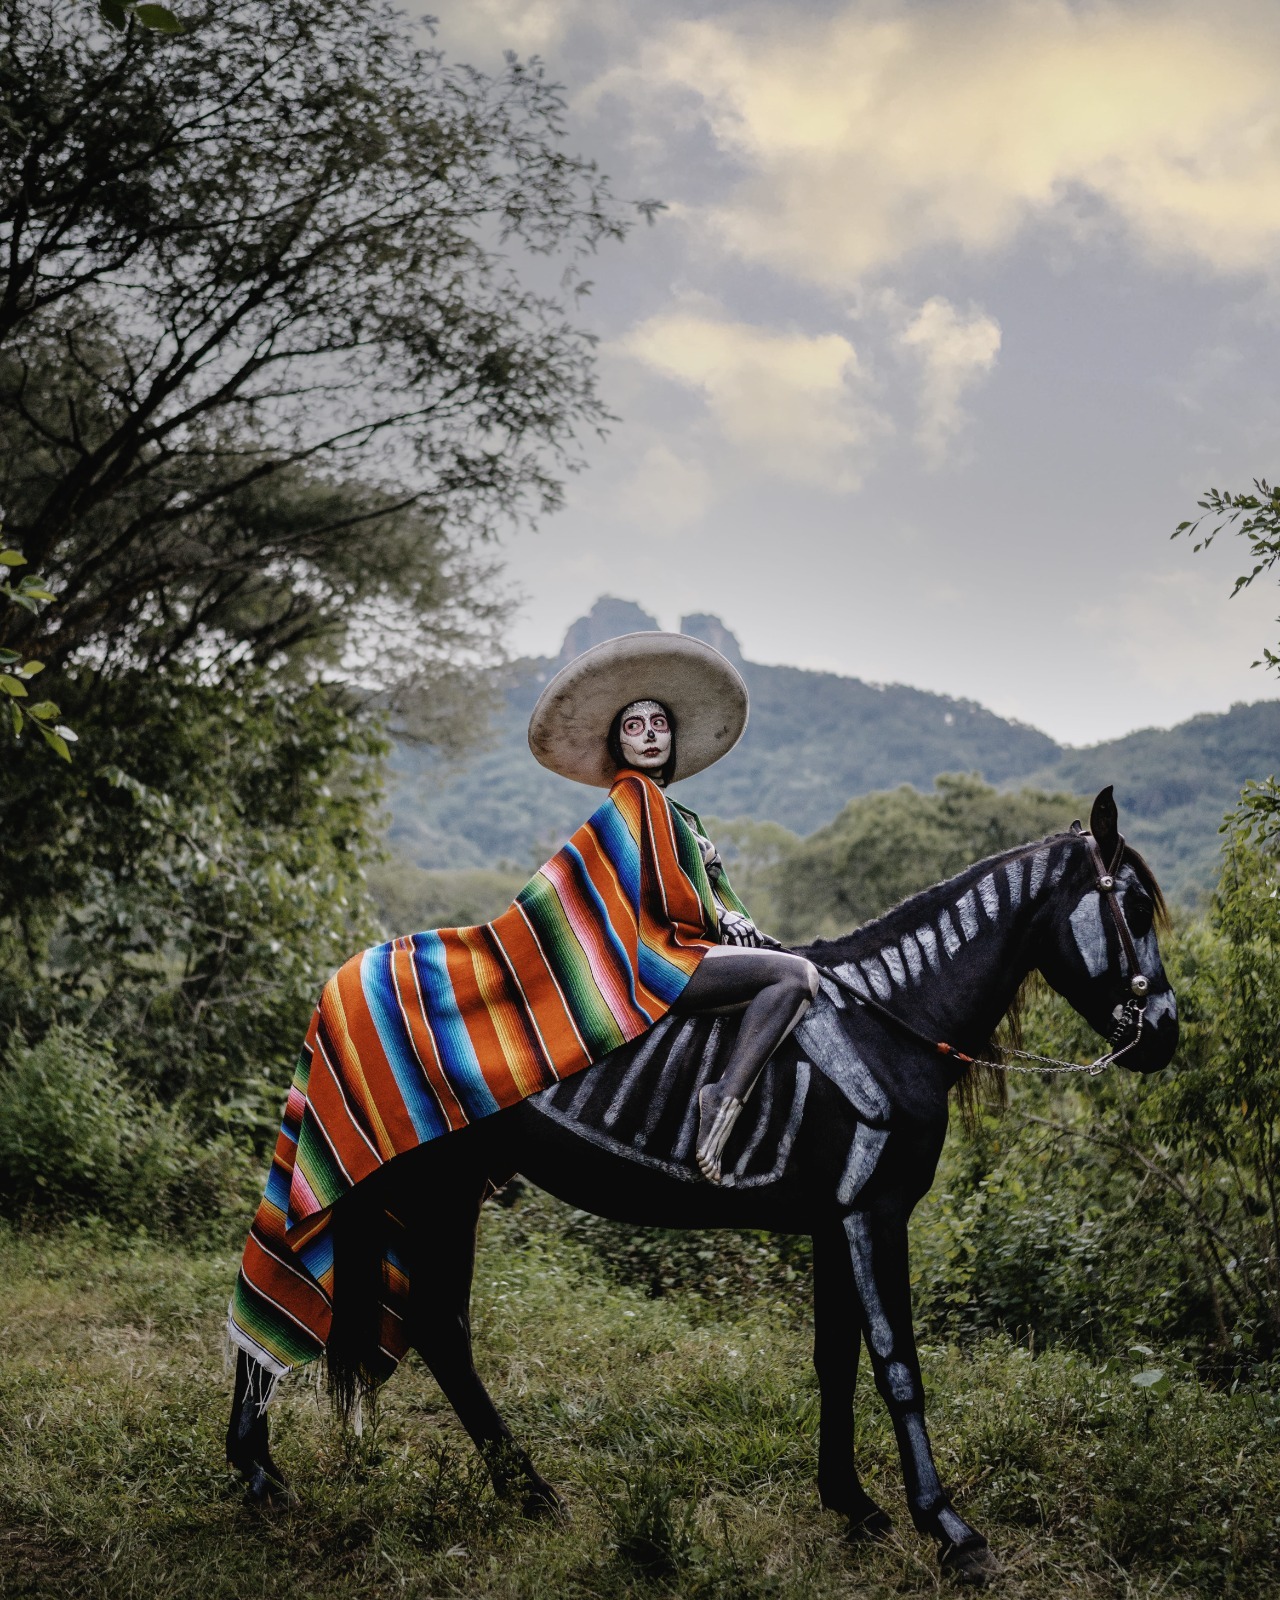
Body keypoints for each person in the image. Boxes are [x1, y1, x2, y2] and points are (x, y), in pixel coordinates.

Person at [228, 631, 816, 1385]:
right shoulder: (632, 805)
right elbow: (613, 906)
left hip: (682, 952)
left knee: (789, 967)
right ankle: (720, 1107)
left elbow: (719, 912)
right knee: (791, 979)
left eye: (656, 725)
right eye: (631, 726)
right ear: (617, 745)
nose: (645, 734)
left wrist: (747, 931)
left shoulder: (683, 818)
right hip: (653, 962)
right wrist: (744, 940)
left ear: (672, 740)